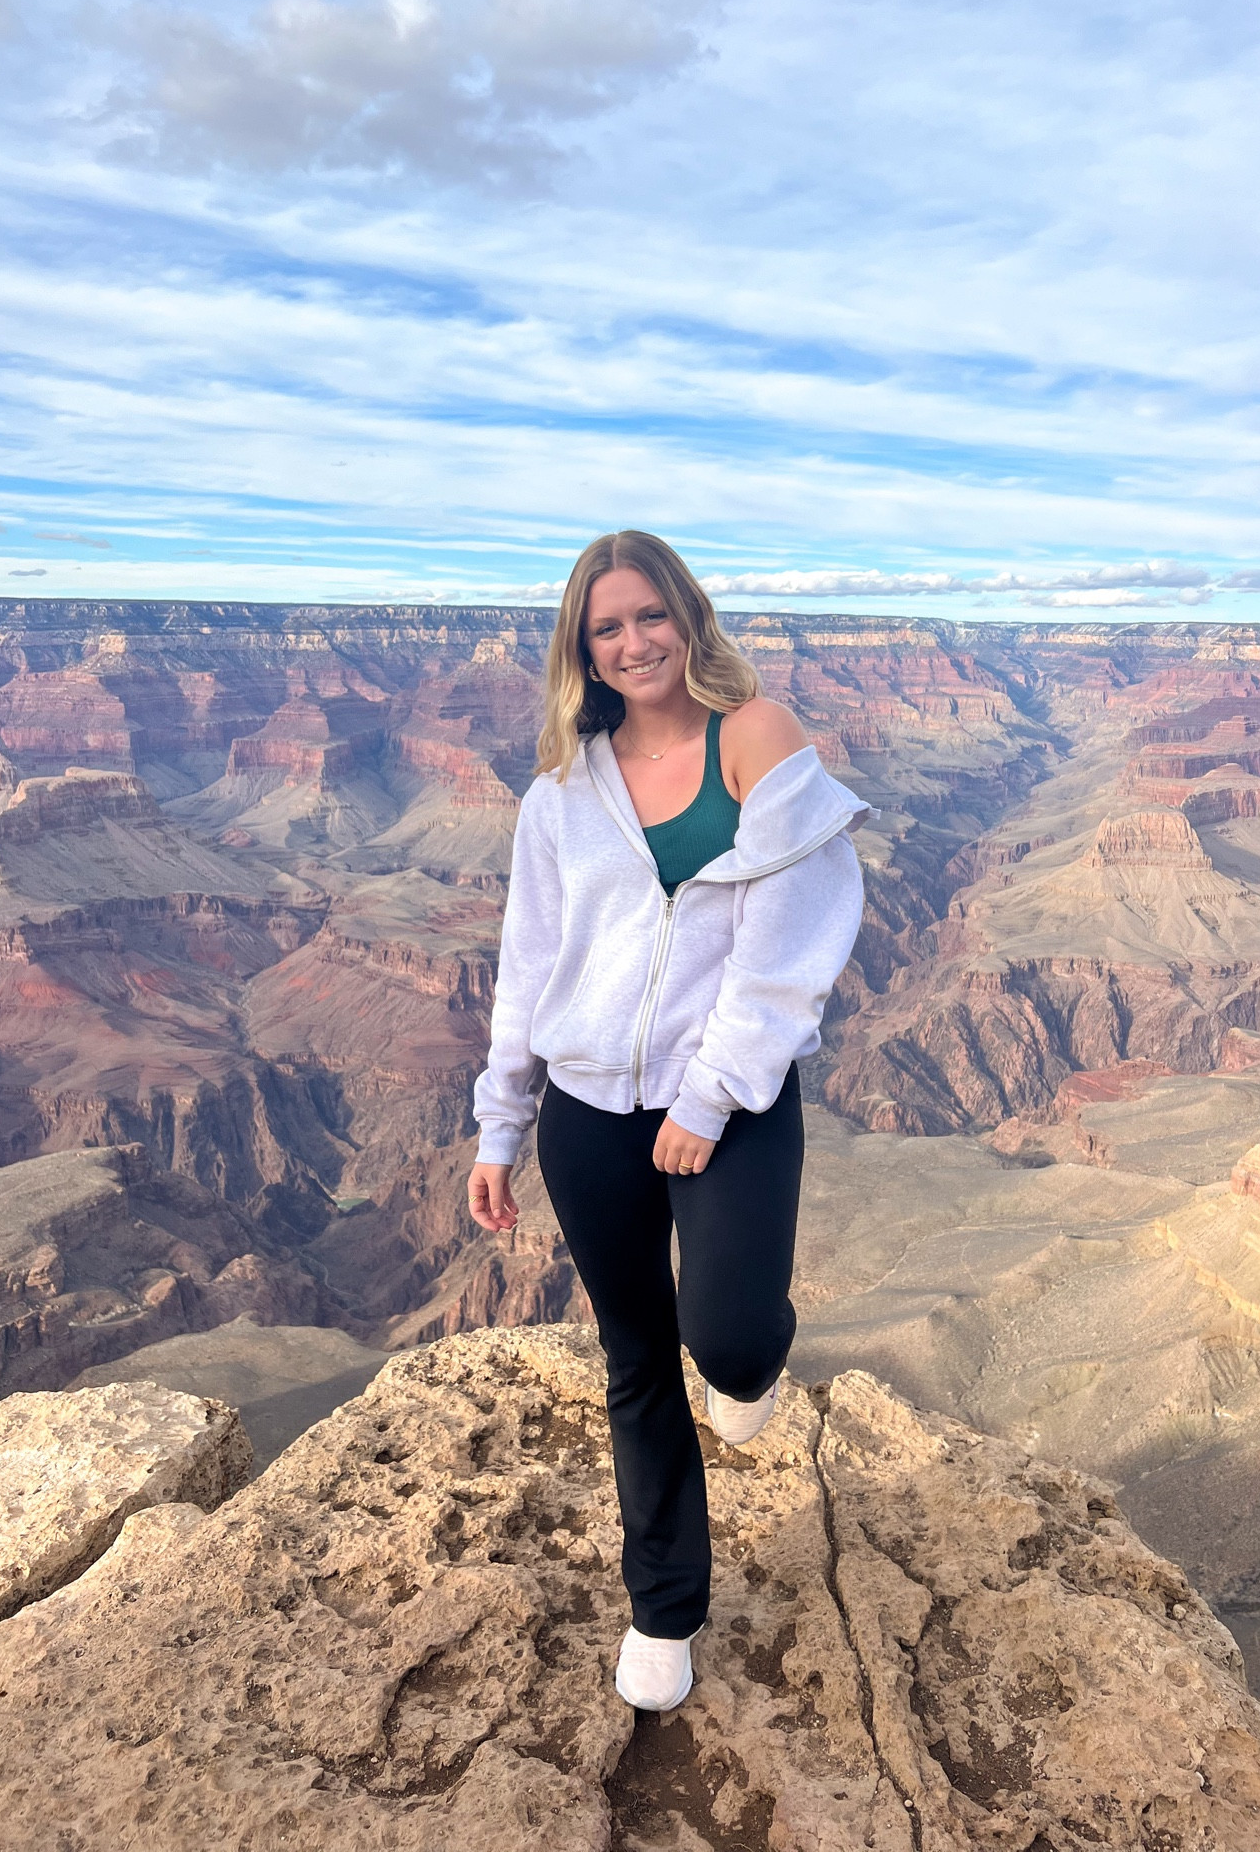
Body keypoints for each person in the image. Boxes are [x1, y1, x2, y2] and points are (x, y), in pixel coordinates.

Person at [466, 529, 868, 1714]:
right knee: (636, 1356)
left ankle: (754, 1363)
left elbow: (798, 931)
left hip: (730, 1101)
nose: (634, 641)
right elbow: (526, 963)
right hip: (587, 1111)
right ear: (580, 649)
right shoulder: (559, 792)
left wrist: (707, 1095)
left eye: (651, 615)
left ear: (688, 618)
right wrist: (502, 1124)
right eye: (607, 626)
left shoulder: (755, 736)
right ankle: (665, 1606)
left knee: (729, 1337)